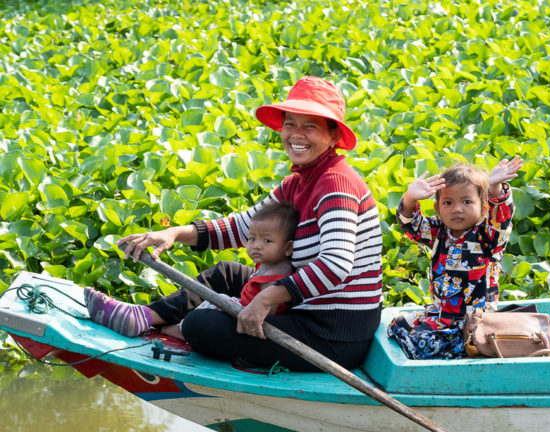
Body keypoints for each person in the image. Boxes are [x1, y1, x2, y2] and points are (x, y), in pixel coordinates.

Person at [84, 76, 383, 372]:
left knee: (204, 326)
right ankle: (144, 316)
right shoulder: (299, 182)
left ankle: (177, 328)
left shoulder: (336, 184)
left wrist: (266, 299)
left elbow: (336, 264)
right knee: (226, 273)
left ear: (333, 137)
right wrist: (173, 233)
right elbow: (242, 228)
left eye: (310, 126)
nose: (296, 134)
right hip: (301, 307)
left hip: (331, 333)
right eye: (290, 124)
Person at [387, 158, 523, 359]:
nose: (457, 209)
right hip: (442, 314)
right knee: (398, 324)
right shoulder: (439, 231)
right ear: (437, 208)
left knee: (423, 344)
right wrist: (410, 198)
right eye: (448, 202)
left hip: (473, 320)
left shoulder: (487, 235)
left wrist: (494, 187)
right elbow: (412, 227)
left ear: (484, 207)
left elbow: (501, 220)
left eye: (467, 202)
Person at [187, 202, 298, 321]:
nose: (257, 246)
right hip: (245, 306)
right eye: (252, 239)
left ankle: (182, 329)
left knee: (212, 306)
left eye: (267, 240)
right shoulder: (271, 263)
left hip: (247, 316)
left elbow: (268, 312)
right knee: (220, 297)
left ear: (288, 248)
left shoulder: (274, 276)